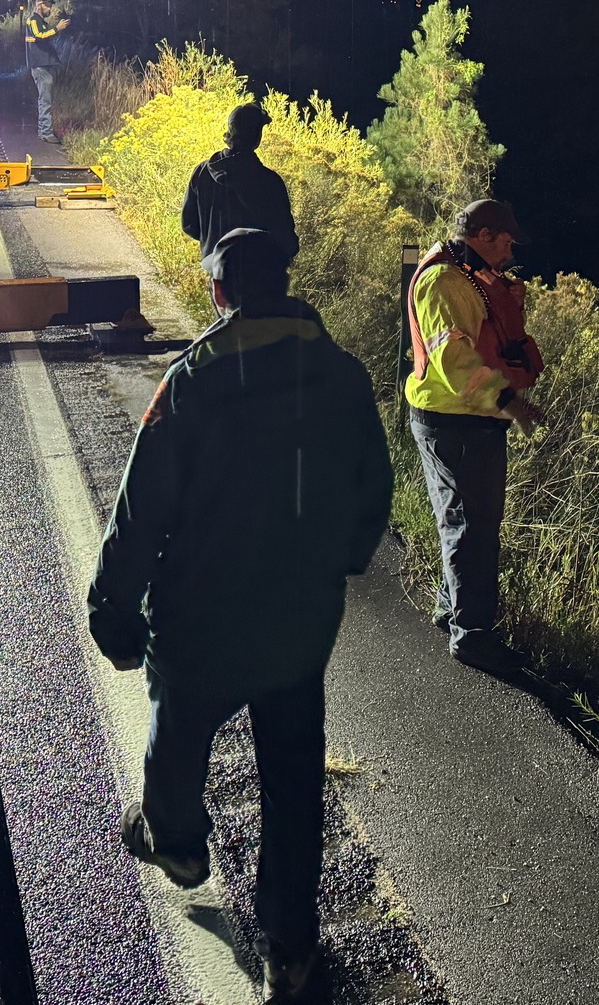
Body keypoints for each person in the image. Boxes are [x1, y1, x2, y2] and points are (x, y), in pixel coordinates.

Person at [88, 228, 391, 1004]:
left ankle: (180, 846)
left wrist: (113, 605)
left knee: (178, 732)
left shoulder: (194, 380)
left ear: (219, 293)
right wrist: (338, 562)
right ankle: (290, 947)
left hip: (201, 614)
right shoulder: (343, 374)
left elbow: (141, 509)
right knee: (292, 775)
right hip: (299, 621)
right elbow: (373, 493)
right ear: (286, 285)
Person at [403, 198, 545, 673]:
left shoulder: (460, 272)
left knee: (461, 521)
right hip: (457, 421)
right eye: (505, 240)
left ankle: (451, 609)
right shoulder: (445, 281)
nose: (509, 250)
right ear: (483, 235)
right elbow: (454, 364)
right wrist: (509, 403)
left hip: (454, 418)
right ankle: (474, 637)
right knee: (474, 530)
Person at [180, 101, 299, 262]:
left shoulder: (202, 173)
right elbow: (286, 241)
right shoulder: (270, 182)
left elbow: (189, 225)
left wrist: (215, 244)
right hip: (256, 277)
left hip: (217, 273)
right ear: (257, 136)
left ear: (230, 132)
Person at [23, 0, 70, 145]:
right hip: (40, 66)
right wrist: (57, 28)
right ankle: (46, 133)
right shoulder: (33, 20)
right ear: (39, 5)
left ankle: (45, 131)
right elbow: (40, 35)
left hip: (44, 65)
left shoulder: (40, 21)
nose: (50, 8)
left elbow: (43, 37)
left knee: (46, 99)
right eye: (48, 5)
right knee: (45, 100)